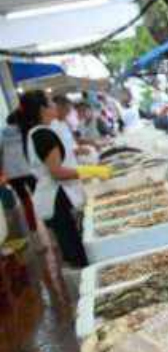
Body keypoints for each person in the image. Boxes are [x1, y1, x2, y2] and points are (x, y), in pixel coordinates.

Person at [18, 90, 112, 267]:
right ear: (42, 109)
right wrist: (92, 171)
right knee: (76, 253)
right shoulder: (42, 135)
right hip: (58, 199)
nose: (55, 105)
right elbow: (57, 172)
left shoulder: (38, 132)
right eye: (50, 103)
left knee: (74, 249)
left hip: (58, 197)